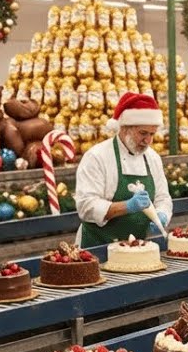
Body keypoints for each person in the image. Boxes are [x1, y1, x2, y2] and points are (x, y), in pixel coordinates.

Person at [74, 92, 172, 245]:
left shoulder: (152, 158)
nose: (148, 140)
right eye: (143, 133)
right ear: (125, 128)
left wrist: (162, 213)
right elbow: (86, 206)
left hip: (136, 249)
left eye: (152, 134)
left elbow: (162, 198)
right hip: (97, 248)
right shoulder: (97, 156)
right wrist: (127, 206)